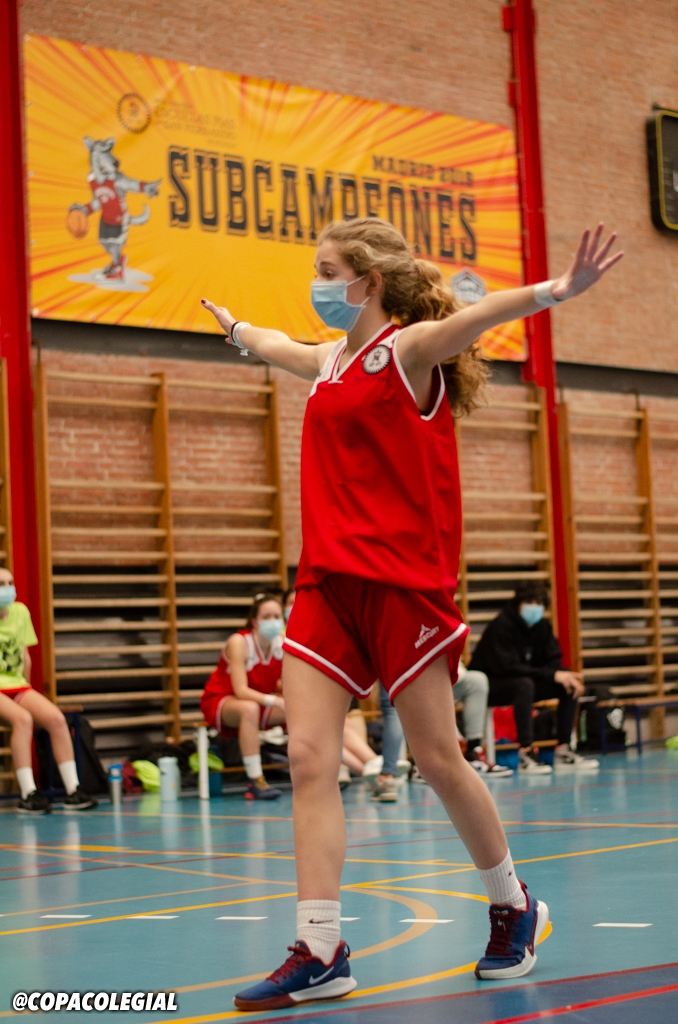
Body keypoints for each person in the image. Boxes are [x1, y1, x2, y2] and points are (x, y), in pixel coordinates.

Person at [201, 217, 621, 1009]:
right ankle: (321, 949)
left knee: (436, 757)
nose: (318, 285)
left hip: (402, 586)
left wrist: (556, 291)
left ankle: (514, 904)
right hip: (326, 585)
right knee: (311, 758)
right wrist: (236, 330)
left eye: (329, 272)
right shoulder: (330, 360)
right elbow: (277, 345)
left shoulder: (408, 351)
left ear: (370, 282)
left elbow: (479, 316)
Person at [469, 581, 599, 773]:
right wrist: (551, 674)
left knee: (567, 684)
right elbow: (507, 667)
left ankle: (564, 749)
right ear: (518, 603)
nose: (535, 608)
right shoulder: (501, 626)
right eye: (530, 602)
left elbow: (553, 660)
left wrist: (560, 674)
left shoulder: (542, 627)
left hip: (525, 681)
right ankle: (526, 753)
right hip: (492, 685)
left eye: (539, 603)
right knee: (524, 685)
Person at [0, 568, 97, 813]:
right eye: (1, 584)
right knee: (23, 719)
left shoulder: (20, 612)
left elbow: (25, 657)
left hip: (16, 684)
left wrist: (27, 693)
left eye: (10, 583)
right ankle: (28, 793)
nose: (7, 589)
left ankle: (73, 789)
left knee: (56, 719)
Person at [200, 592, 287, 800]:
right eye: (266, 617)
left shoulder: (282, 644)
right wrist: (275, 700)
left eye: (277, 616)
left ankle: (315, 770)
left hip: (260, 700)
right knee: (250, 709)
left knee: (299, 709)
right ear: (254, 621)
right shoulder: (239, 642)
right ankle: (255, 779)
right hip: (223, 700)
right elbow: (241, 691)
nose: (273, 621)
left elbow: (283, 683)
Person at [455, 662, 513, 777]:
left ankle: (473, 750)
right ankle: (424, 763)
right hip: (421, 681)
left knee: (477, 681)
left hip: (445, 678)